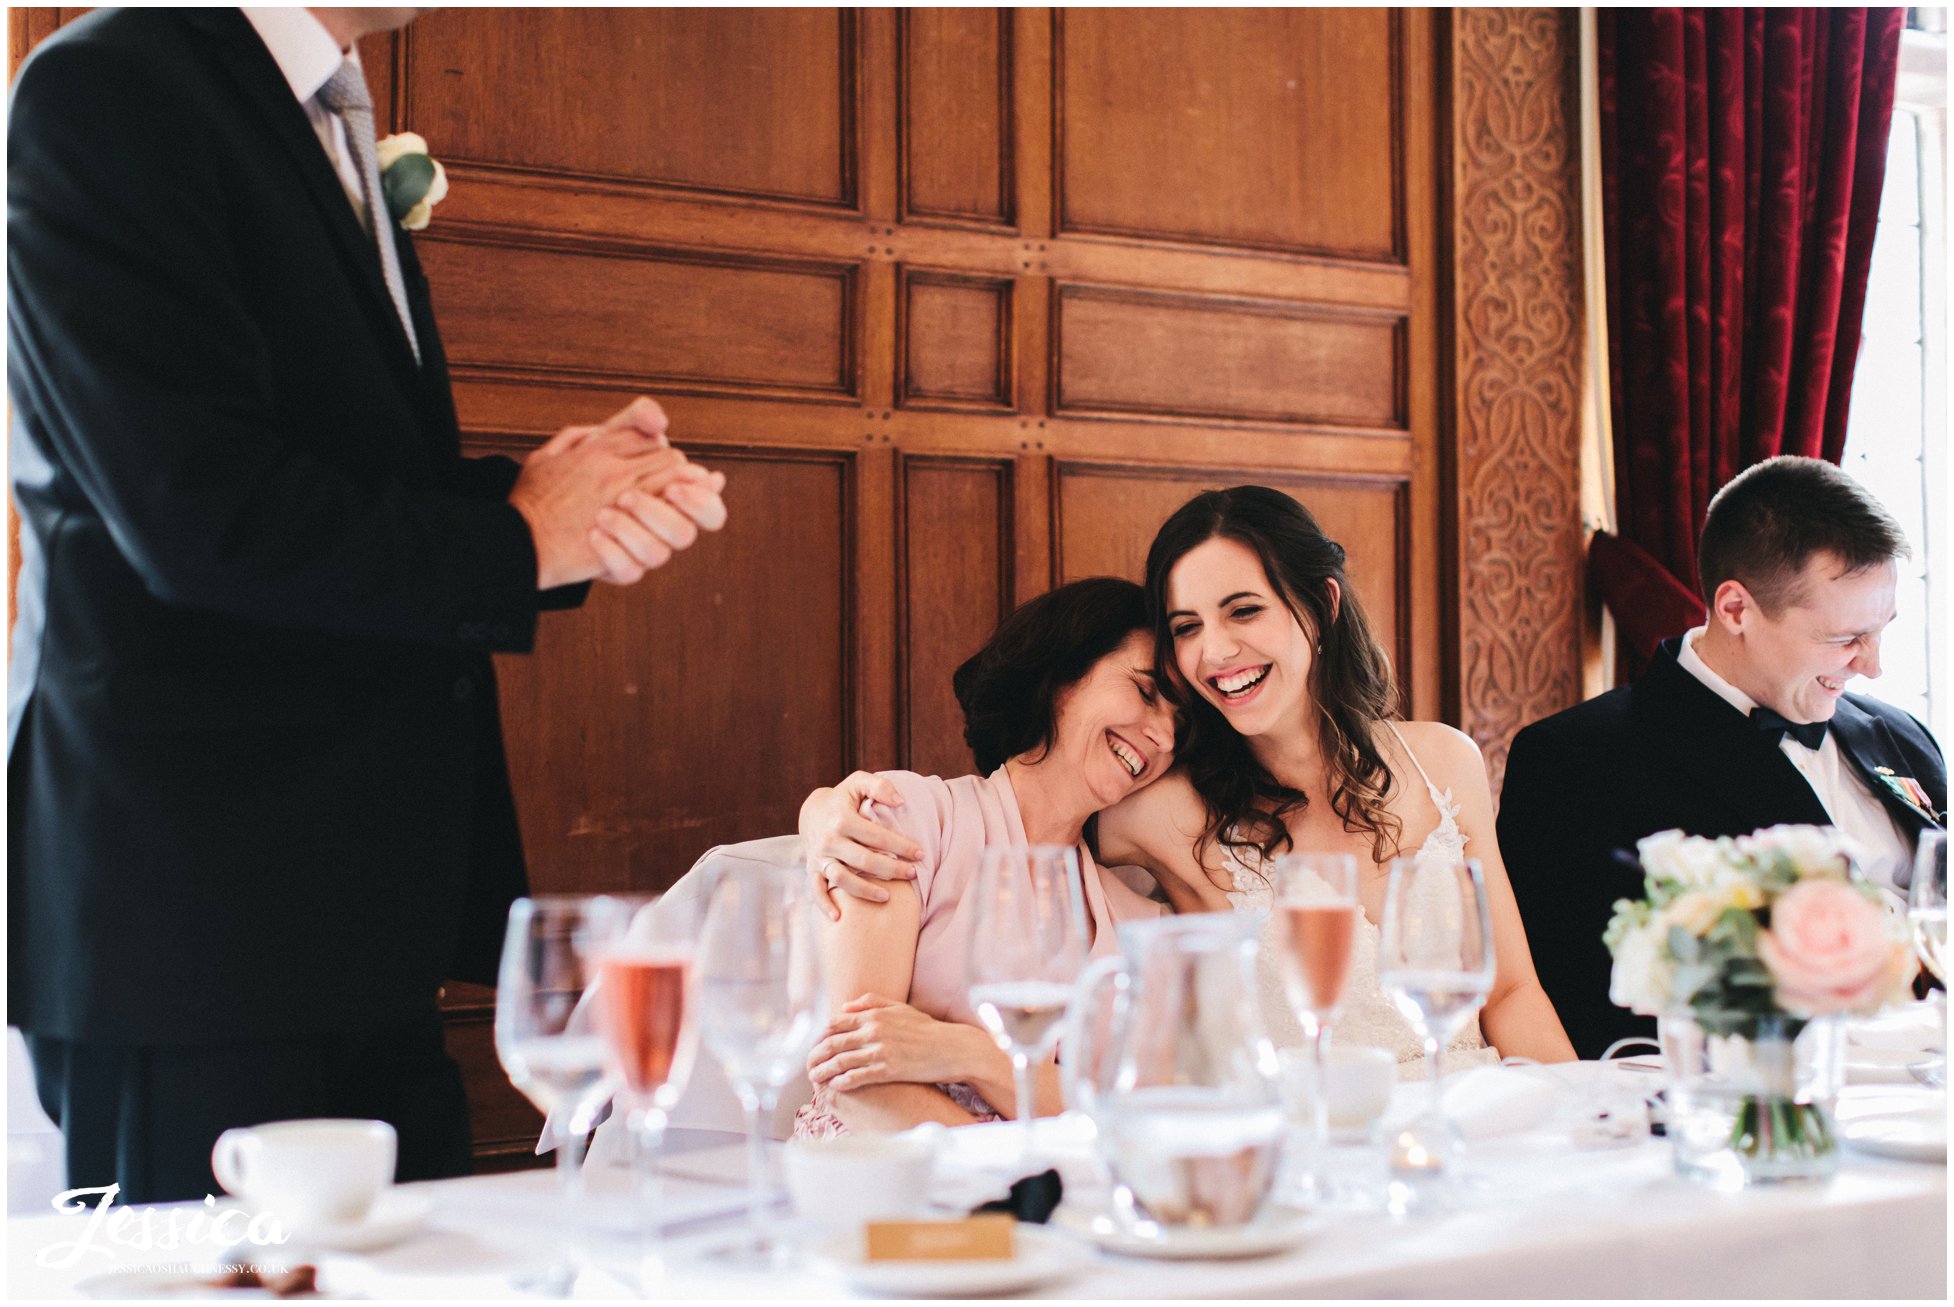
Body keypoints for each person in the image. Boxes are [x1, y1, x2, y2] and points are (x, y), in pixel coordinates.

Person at [7, 7, 728, 1203]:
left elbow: (330, 472)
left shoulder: (317, 108)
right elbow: (196, 509)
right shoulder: (110, 88)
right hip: (198, 911)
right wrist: (516, 537)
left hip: (357, 910)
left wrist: (557, 509)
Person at [806, 487, 1576, 1075]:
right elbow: (1010, 813)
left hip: (1479, 1120)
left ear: (1321, 606)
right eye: (1187, 628)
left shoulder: (1443, 761)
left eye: (1243, 610)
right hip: (1310, 1161)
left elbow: (1511, 994)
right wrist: (826, 811)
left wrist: (1582, 1136)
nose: (1216, 651)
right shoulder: (1160, 806)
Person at [1500, 456, 1946, 1059]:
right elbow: (1594, 1018)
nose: (1873, 666)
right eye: (1845, 639)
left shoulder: (1900, 735)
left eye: (1881, 629)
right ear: (1736, 609)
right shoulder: (1576, 762)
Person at [798, 578, 1172, 1134]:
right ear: (1062, 676)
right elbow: (853, 1074)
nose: (1164, 734)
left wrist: (964, 1052)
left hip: (1045, 1203)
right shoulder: (906, 818)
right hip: (884, 1183)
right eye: (1145, 692)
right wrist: (1011, 1179)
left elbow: (1123, 1118)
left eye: (1181, 725)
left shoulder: (1142, 920)